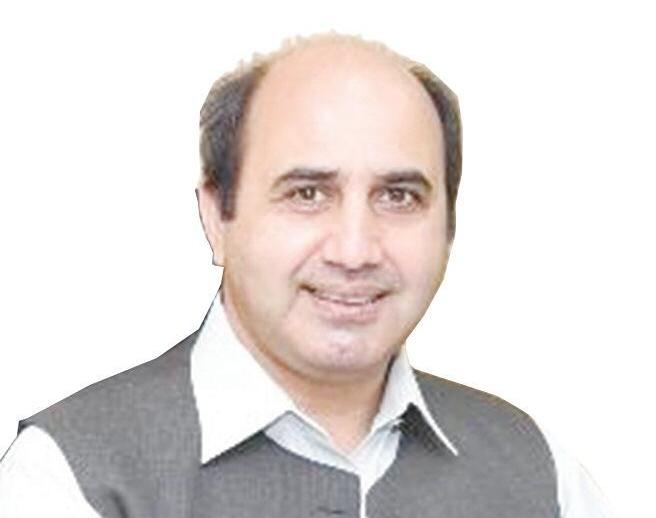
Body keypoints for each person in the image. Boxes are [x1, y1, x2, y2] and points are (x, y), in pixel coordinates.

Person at [0, 32, 612, 517]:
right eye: (308, 193)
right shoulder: (69, 479)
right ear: (217, 217)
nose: (355, 250)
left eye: (399, 196)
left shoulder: (544, 477)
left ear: (449, 224)